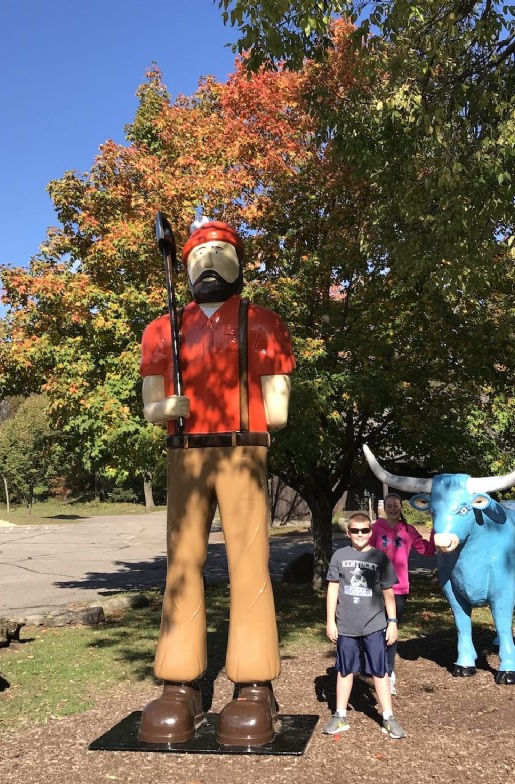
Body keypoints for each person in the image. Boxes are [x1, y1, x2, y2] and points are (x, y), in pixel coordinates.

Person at [138, 217, 296, 746]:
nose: (207, 265)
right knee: (183, 562)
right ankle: (180, 680)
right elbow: (151, 403)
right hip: (185, 453)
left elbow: (276, 410)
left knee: (248, 558)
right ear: (182, 266)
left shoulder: (263, 322)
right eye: (196, 256)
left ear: (239, 263)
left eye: (218, 253)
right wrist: (167, 406)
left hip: (241, 449)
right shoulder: (162, 329)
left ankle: (253, 682)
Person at [323, 512, 406, 739]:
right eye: (355, 531)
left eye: (365, 530)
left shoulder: (380, 557)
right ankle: (340, 716)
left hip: (374, 625)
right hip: (347, 626)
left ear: (371, 532)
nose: (360, 534)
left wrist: (392, 622)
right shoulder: (339, 556)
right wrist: (330, 621)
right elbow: (332, 589)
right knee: (344, 669)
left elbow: (389, 593)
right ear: (348, 533)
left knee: (380, 671)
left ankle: (388, 717)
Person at [371, 492, 436, 695]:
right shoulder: (375, 529)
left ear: (401, 507)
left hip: (399, 589)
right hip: (374, 587)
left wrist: (436, 530)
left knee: (391, 631)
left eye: (395, 505)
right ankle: (371, 669)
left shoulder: (408, 530)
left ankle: (389, 673)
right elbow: (363, 551)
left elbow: (427, 551)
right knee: (373, 631)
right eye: (389, 505)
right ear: (384, 508)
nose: (392, 508)